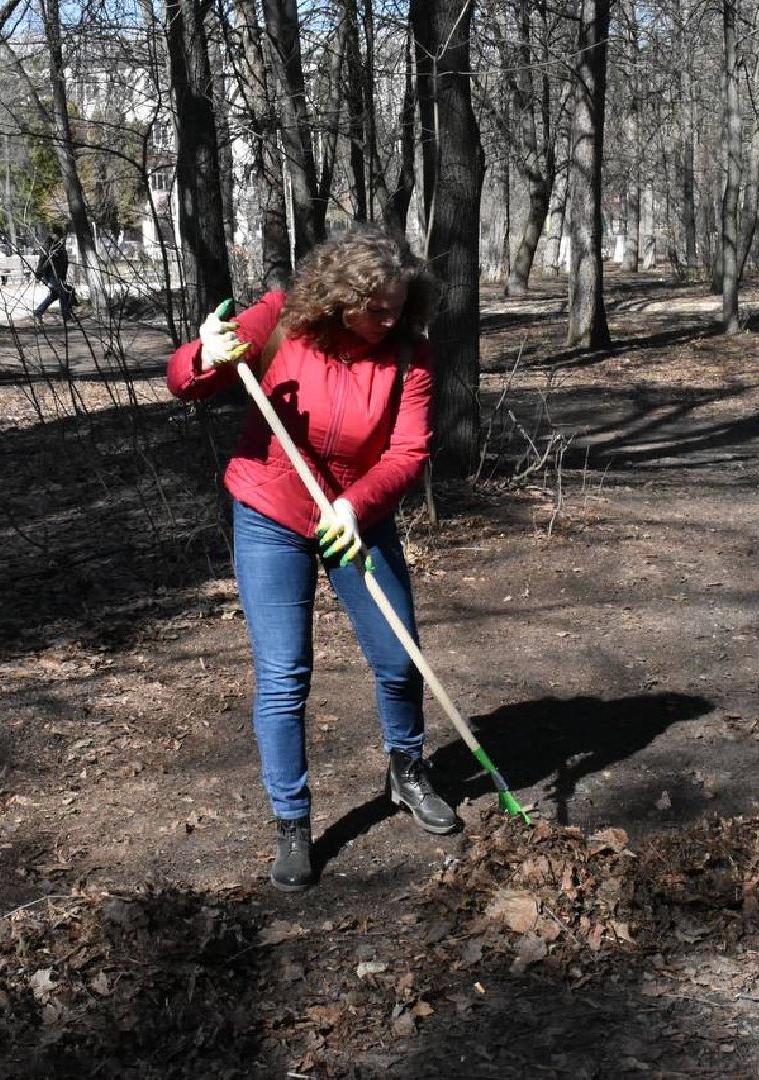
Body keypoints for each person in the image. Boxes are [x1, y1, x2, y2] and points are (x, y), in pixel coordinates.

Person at [166, 224, 456, 891]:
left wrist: (355, 508)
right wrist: (203, 356)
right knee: (283, 673)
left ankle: (406, 771)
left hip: (357, 516)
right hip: (271, 510)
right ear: (338, 295)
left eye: (398, 306)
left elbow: (407, 452)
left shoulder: (410, 356)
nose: (387, 319)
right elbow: (186, 382)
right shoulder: (283, 319)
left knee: (397, 652)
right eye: (373, 306)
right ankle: (291, 821)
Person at [33, 227, 74, 323]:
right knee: (62, 293)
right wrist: (38, 275)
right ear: (53, 235)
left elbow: (64, 263)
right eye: (57, 235)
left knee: (55, 295)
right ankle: (65, 315)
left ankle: (38, 312)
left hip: (58, 274)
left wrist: (63, 277)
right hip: (50, 274)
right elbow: (42, 261)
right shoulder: (48, 246)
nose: (59, 237)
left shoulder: (59, 246)